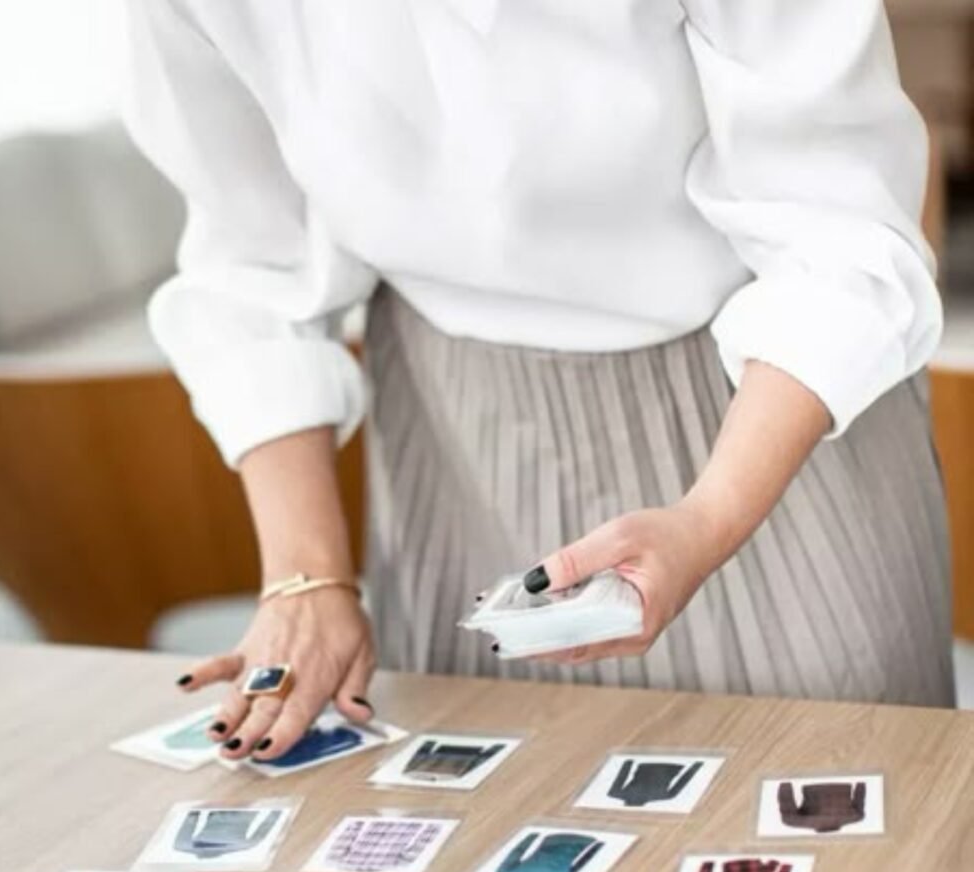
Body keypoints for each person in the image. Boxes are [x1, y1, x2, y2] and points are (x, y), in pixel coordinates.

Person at [121, 0, 955, 762]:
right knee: (487, 830)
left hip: (767, 422)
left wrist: (708, 518)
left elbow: (840, 238)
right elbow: (250, 260)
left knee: (838, 810)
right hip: (456, 441)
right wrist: (305, 582)